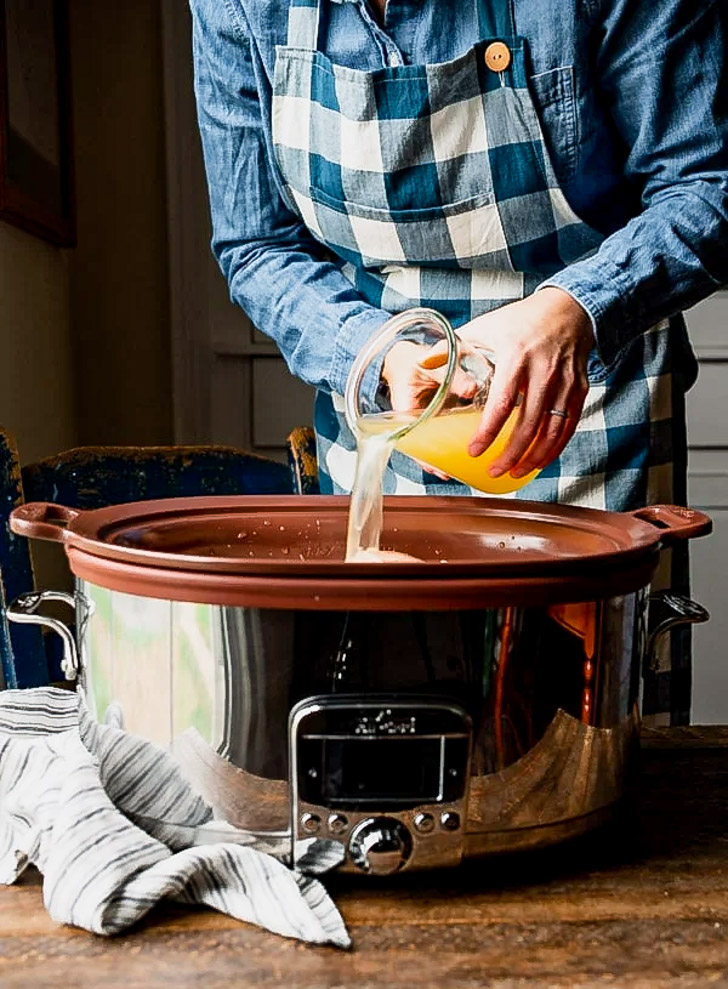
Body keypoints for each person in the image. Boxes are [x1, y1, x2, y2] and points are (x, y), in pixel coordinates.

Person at [189, 0, 727, 723]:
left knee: (581, 749)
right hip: (385, 423)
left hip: (595, 418)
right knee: (391, 732)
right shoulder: (237, 8)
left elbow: (708, 185)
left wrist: (576, 309)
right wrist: (371, 351)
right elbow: (256, 244)